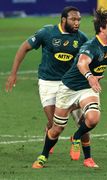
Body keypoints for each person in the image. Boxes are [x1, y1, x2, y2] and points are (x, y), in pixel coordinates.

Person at [31, 9, 107, 169]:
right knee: (56, 128)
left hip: (87, 88)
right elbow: (81, 63)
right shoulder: (91, 45)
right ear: (102, 28)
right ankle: (43, 155)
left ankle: (81, 146)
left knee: (92, 118)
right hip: (69, 88)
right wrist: (91, 77)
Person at [5, 6, 92, 158]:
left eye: (79, 19)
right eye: (73, 19)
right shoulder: (47, 33)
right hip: (48, 82)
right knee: (55, 123)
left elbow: (92, 56)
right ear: (63, 19)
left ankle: (82, 148)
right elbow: (24, 48)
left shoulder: (82, 38)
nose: (77, 22)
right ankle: (49, 133)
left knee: (83, 122)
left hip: (71, 83)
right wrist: (13, 74)